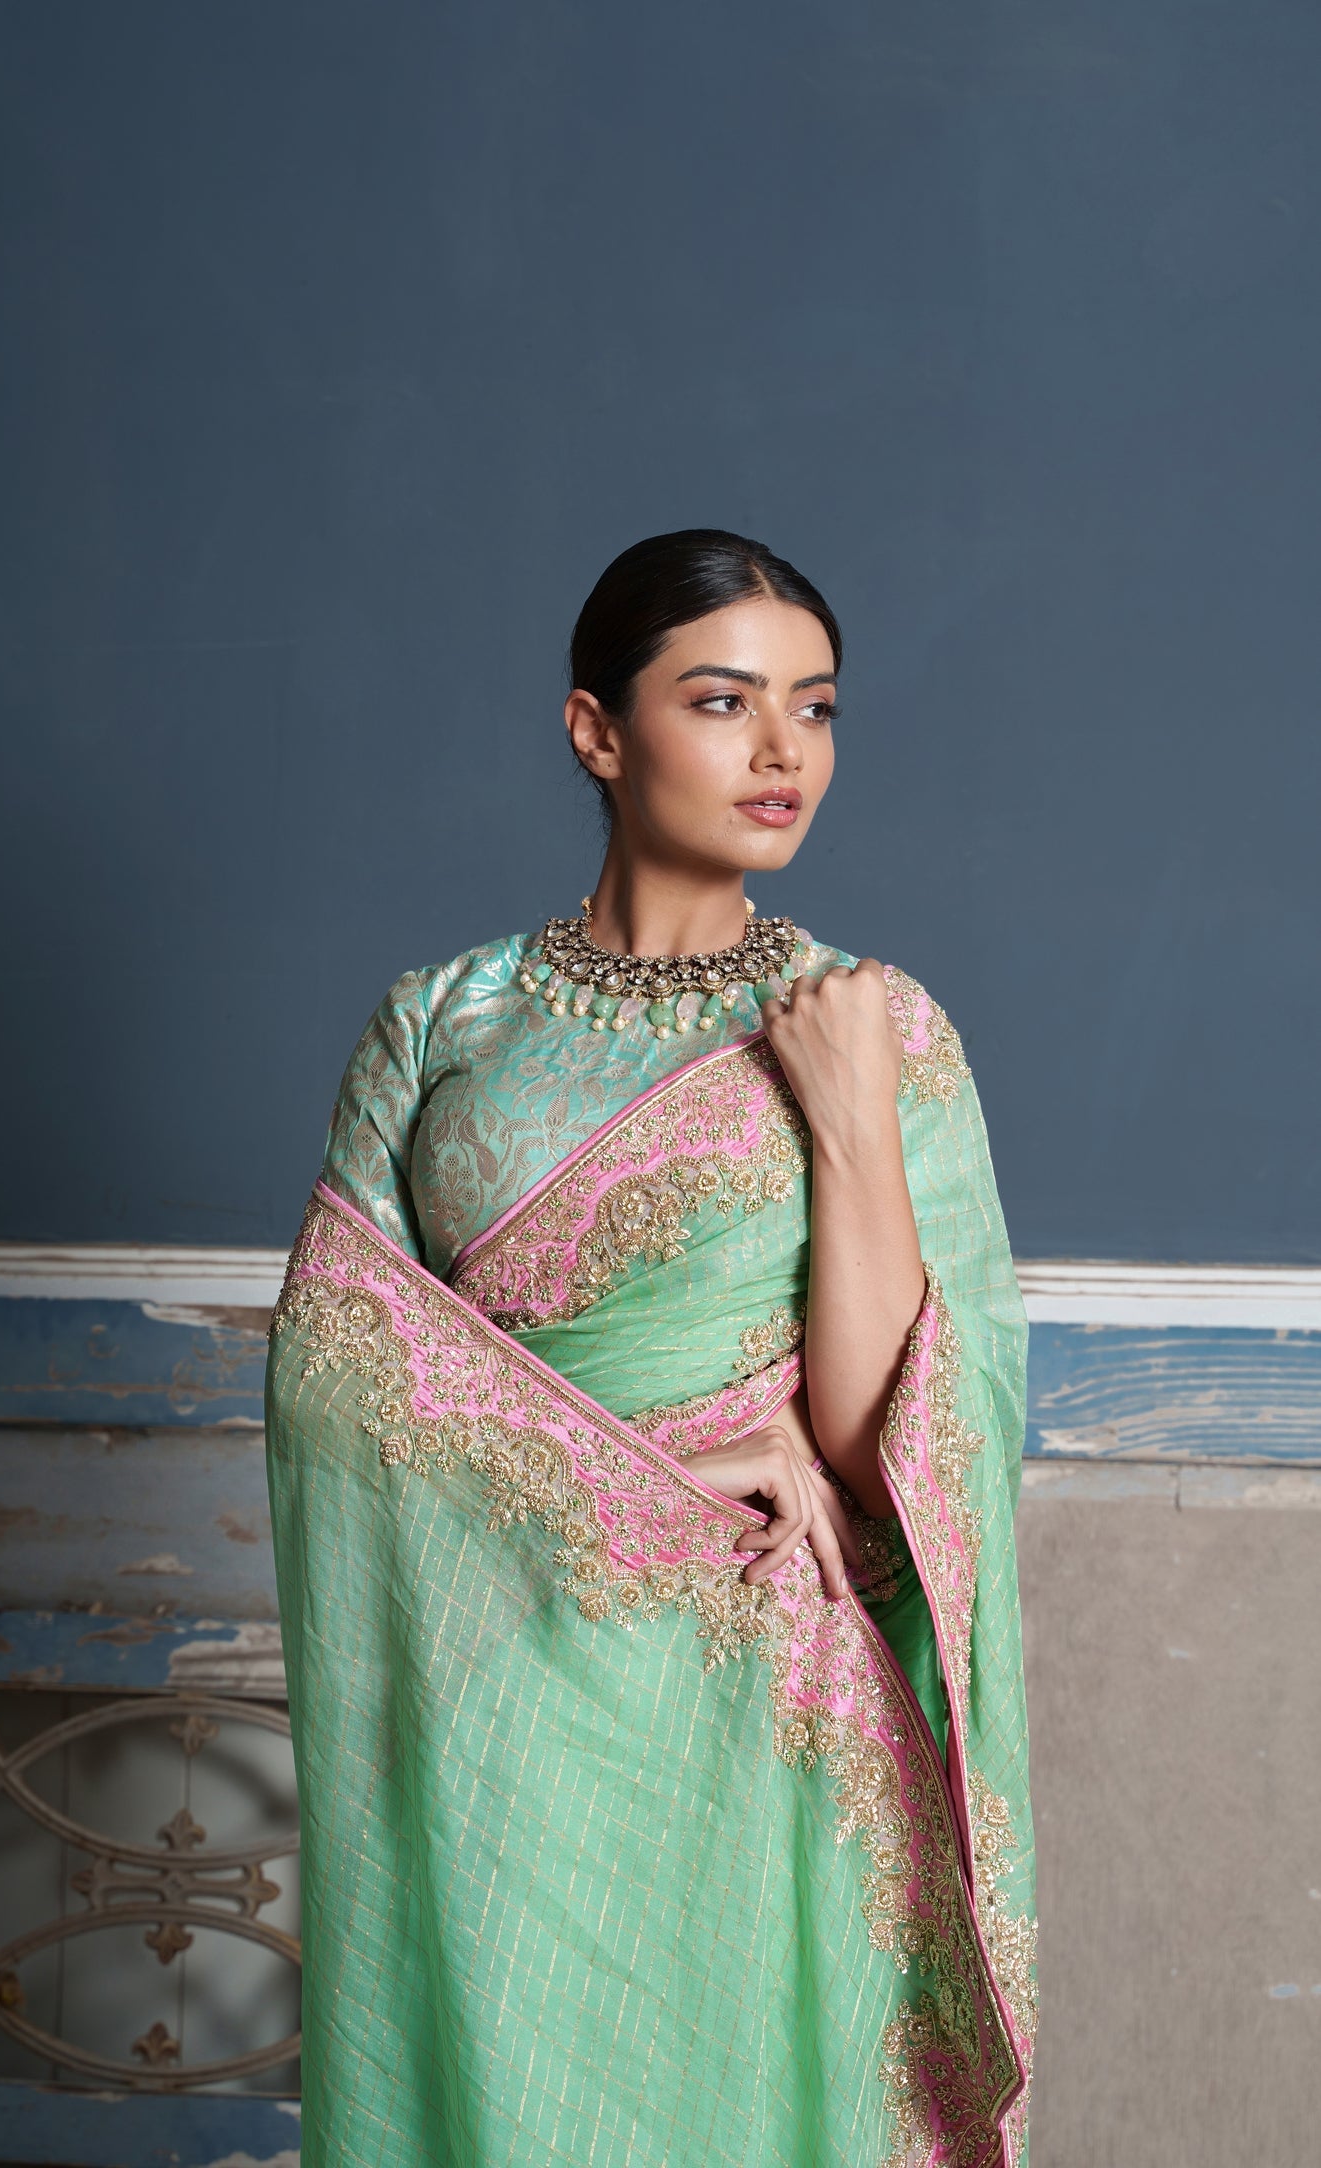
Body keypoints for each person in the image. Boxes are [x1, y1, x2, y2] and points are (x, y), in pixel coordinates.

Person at [266, 529, 1036, 2168]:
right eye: (722, 700)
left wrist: (851, 1119)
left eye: (813, 708)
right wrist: (656, 1468)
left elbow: (888, 1446)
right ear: (596, 731)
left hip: (756, 1698)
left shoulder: (876, 1025)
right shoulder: (444, 1022)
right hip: (502, 1697)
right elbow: (334, 1389)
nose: (781, 752)